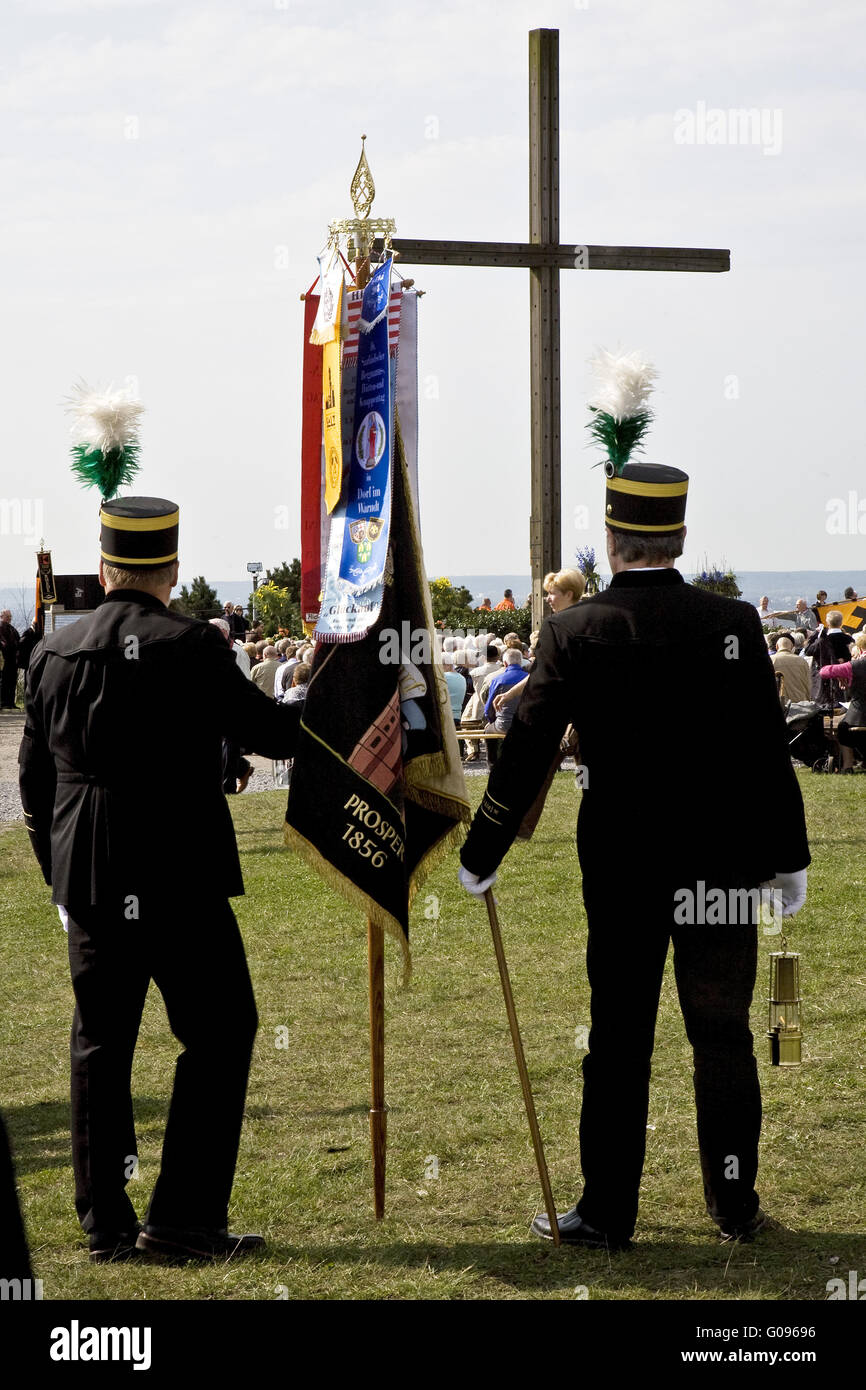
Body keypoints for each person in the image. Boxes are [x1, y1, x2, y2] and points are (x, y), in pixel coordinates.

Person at [458, 455, 810, 1250]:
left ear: (610, 540)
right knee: (723, 1033)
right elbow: (765, 748)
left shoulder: (573, 629)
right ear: (678, 536)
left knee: (618, 1038)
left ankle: (610, 1211)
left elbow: (526, 748)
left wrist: (485, 849)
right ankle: (734, 1203)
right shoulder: (732, 624)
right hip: (721, 863)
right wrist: (792, 857)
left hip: (622, 863)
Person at [18, 496, 303, 1265]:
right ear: (170, 571)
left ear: (106, 567)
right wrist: (340, 674)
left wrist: (61, 877)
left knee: (101, 1045)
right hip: (179, 870)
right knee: (219, 1033)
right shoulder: (191, 646)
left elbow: (35, 787)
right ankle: (181, 1218)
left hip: (90, 871)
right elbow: (271, 733)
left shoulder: (53, 652)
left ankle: (106, 1226)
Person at [820, 651, 866, 771]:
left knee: (842, 728)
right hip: (859, 718)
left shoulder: (857, 665)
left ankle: (847, 765)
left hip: (859, 717)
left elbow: (824, 671)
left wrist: (840, 674)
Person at [772, 635, 812, 704]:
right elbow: (808, 684)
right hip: (800, 703)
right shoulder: (802, 661)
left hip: (781, 703)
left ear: (777, 646)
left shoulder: (771, 660)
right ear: (792, 647)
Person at [0, 609, 20, 710]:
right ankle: (4, 702)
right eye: (7, 616)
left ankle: (11, 702)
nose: (9, 618)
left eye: (10, 617)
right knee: (5, 681)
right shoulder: (1, 627)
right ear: (2, 616)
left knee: (12, 681)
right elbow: (3, 643)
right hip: (5, 659)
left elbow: (18, 641)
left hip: (13, 660)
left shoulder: (12, 629)